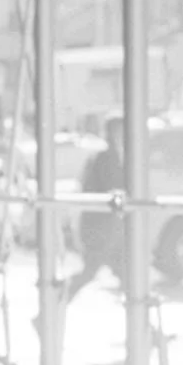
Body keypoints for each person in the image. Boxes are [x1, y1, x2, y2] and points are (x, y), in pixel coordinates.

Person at [65, 116, 126, 301]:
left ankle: (145, 325)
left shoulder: (110, 156)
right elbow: (112, 189)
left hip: (107, 228)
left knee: (126, 273)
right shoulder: (105, 158)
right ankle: (53, 305)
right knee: (92, 271)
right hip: (100, 228)